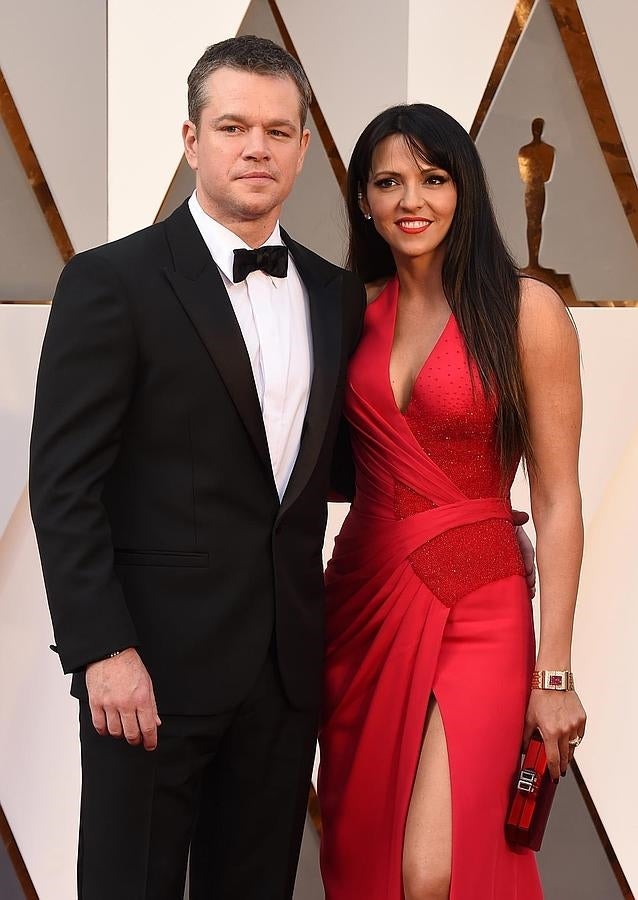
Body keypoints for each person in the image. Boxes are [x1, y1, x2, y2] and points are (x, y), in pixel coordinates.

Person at [29, 36, 365, 900]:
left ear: (301, 147)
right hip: (146, 672)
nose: (257, 147)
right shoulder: (112, 282)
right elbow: (65, 485)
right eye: (234, 126)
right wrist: (101, 648)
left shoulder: (336, 293)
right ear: (191, 140)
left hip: (286, 674)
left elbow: (339, 472)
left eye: (279, 131)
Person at [319, 104, 587, 900]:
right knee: (367, 858)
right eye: (388, 181)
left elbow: (559, 495)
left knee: (436, 869)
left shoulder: (524, 309)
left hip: (481, 605)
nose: (412, 199)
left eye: (433, 178)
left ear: (464, 188)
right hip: (362, 601)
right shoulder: (346, 315)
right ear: (363, 200)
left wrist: (557, 672)